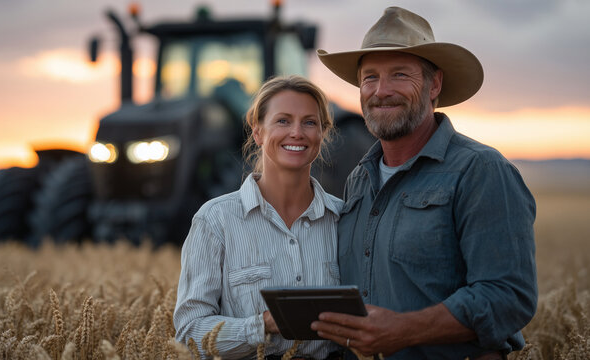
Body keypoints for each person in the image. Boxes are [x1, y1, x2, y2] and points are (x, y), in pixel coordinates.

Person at [310, 7, 537, 360]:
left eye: (399, 74)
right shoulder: (358, 180)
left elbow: (508, 296)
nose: (381, 91)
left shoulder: (480, 171)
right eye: (369, 78)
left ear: (434, 85)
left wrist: (403, 331)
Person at [174, 75, 344, 359]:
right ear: (257, 132)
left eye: (310, 122)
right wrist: (262, 326)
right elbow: (189, 333)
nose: (297, 132)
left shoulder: (344, 218)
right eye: (283, 121)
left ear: (322, 133)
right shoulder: (216, 221)